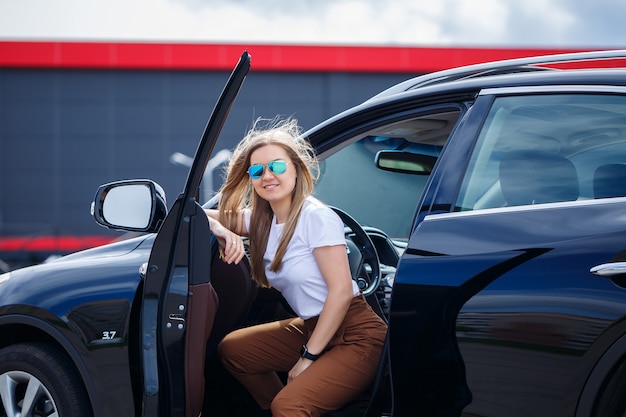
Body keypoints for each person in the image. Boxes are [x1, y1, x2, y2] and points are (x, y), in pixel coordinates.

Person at [205, 117, 387, 417]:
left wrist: (308, 357)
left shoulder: (316, 216)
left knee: (290, 405)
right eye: (257, 170)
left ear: (296, 169)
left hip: (356, 335)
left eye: (276, 166)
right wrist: (224, 232)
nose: (267, 176)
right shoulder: (263, 221)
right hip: (312, 326)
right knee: (234, 351)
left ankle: (292, 408)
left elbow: (341, 292)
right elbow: (197, 215)